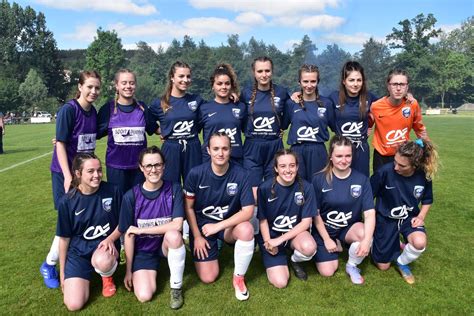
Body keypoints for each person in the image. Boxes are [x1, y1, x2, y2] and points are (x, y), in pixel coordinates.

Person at [40, 70, 101, 289]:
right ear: (80, 87)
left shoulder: (93, 112)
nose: (93, 91)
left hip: (83, 173)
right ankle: (49, 264)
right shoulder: (69, 110)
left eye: (97, 88)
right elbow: (61, 144)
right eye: (89, 87)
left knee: (81, 219)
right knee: (68, 220)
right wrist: (67, 176)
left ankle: (78, 261)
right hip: (65, 173)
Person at [184, 132, 255, 301]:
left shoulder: (242, 174)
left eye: (225, 148)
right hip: (203, 229)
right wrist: (197, 236)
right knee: (208, 277)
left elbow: (248, 211)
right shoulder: (195, 174)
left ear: (231, 150)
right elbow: (188, 208)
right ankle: (207, 245)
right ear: (208, 150)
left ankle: (238, 277)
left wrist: (218, 226)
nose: (220, 153)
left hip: (226, 227)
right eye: (216, 148)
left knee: (247, 229)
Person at [119, 146, 186, 309]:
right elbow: (128, 234)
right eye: (148, 166)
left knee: (174, 235)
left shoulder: (174, 189)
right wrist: (128, 270)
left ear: (164, 166)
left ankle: (176, 287)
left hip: (165, 245)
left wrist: (141, 230)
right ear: (141, 168)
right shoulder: (131, 196)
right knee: (144, 295)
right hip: (143, 252)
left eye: (157, 164)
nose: (153, 170)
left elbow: (177, 224)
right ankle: (150, 269)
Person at [57, 153, 122, 311]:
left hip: (105, 249)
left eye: (99, 170)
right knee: (74, 304)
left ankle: (107, 277)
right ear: (78, 174)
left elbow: (124, 223)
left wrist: (110, 239)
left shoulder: (113, 191)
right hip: (78, 252)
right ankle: (83, 273)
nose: (97, 175)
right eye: (91, 171)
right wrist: (62, 273)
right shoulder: (67, 201)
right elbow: (64, 239)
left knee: (103, 260)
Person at [370, 139, 438, 284]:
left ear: (415, 165)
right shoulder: (384, 172)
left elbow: (427, 200)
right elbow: (368, 198)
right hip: (385, 219)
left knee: (419, 242)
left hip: (409, 219)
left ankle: (401, 261)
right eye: (395, 161)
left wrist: (420, 217)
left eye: (402, 165)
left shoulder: (424, 175)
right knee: (383, 266)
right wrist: (370, 224)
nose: (395, 167)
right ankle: (380, 241)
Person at [312, 135, 375, 284]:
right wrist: (327, 239)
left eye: (348, 155)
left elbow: (370, 214)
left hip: (348, 228)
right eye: (339, 156)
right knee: (327, 271)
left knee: (365, 234)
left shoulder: (361, 180)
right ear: (331, 157)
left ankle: (352, 265)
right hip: (324, 230)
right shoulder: (319, 179)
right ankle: (335, 245)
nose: (344, 160)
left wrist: (366, 241)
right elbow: (315, 213)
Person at [257, 149, 317, 288]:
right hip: (272, 236)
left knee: (309, 247)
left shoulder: (306, 188)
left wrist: (281, 240)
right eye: (283, 166)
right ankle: (276, 258)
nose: (288, 170)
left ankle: (295, 259)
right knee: (280, 282)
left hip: (295, 235)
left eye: (292, 165)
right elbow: (263, 219)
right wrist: (269, 242)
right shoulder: (265, 188)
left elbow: (306, 222)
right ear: (276, 169)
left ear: (297, 167)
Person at [97, 69, 157, 194]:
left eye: (132, 83)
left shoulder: (142, 107)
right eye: (124, 83)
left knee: (138, 203)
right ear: (116, 85)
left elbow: (155, 129)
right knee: (118, 205)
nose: (128, 86)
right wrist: (66, 138)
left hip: (139, 168)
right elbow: (93, 132)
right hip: (116, 168)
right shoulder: (107, 109)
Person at [149, 61, 204, 184]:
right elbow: (148, 121)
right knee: (170, 185)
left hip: (192, 146)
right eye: (181, 76)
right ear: (172, 78)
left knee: (195, 184)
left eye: (188, 76)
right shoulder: (160, 103)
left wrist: (231, 94)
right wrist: (161, 131)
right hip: (171, 148)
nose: (186, 79)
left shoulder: (196, 100)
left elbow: (212, 111)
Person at [370, 68, 428, 173]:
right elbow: (367, 127)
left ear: (407, 87)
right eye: (394, 84)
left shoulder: (412, 104)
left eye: (402, 84)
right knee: (380, 188)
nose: (398, 88)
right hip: (381, 157)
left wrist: (427, 149)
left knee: (403, 188)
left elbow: (420, 129)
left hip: (404, 155)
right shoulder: (375, 106)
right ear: (388, 86)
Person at [327, 61, 378, 177]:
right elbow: (316, 104)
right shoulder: (333, 97)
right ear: (344, 81)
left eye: (359, 80)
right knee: (339, 182)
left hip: (361, 149)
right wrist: (298, 95)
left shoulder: (370, 97)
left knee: (360, 181)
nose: (355, 84)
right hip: (341, 149)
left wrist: (407, 96)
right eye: (351, 80)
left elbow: (388, 104)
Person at [285, 64, 333, 181]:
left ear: (318, 82)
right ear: (299, 82)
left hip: (318, 150)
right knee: (297, 187)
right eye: (305, 81)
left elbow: (336, 126)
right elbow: (281, 126)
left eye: (313, 81)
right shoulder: (291, 103)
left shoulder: (326, 103)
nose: (309, 85)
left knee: (318, 186)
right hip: (297, 150)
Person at [198, 64, 246, 165]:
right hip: (210, 161)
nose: (223, 87)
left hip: (235, 160)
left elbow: (248, 131)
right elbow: (192, 131)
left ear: (231, 86)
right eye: (219, 84)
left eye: (227, 83)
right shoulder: (204, 108)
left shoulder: (240, 107)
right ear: (212, 86)